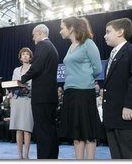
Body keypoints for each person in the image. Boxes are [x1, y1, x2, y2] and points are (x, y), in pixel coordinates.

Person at [102, 18, 132, 159]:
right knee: (117, 156)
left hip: (128, 116)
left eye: (108, 31)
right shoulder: (112, 55)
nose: (105, 35)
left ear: (120, 32)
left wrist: (129, 105)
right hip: (113, 117)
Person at [59, 16, 103, 159]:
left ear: (71, 28)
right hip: (70, 92)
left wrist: (84, 79)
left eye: (62, 27)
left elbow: (97, 69)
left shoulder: (88, 44)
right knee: (76, 131)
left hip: (84, 92)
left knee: (88, 131)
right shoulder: (71, 47)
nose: (60, 31)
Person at [21, 24, 59, 159]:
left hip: (42, 96)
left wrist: (22, 79)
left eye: (33, 35)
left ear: (39, 33)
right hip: (50, 96)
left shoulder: (42, 46)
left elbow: (36, 67)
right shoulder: (52, 47)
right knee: (50, 130)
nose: (33, 39)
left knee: (42, 131)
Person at [9, 47, 34, 159]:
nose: (25, 56)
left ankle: (26, 154)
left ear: (30, 57)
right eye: (23, 54)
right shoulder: (16, 70)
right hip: (17, 100)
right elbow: (13, 84)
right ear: (20, 57)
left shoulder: (33, 68)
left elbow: (35, 85)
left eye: (27, 54)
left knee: (27, 129)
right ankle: (19, 155)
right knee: (18, 129)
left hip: (28, 100)